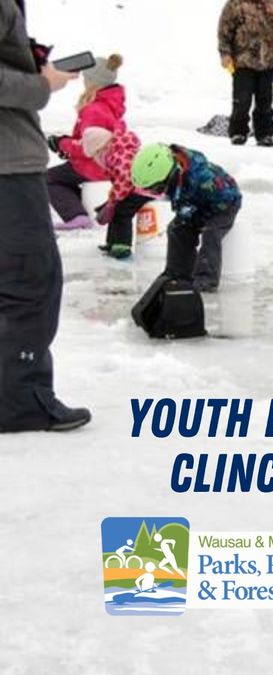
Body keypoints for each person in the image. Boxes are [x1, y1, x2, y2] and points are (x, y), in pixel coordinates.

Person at [0, 0, 91, 433]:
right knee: (31, 282)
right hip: (6, 164)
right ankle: (19, 404)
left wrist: (24, 56)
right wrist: (41, 84)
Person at [130, 143, 242, 292]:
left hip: (224, 206)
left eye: (156, 188)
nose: (156, 193)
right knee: (176, 229)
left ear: (168, 176)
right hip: (198, 203)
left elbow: (187, 204)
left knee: (211, 233)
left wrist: (188, 217)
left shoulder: (197, 178)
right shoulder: (178, 175)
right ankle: (176, 273)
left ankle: (206, 279)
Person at [45, 54, 126, 231]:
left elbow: (87, 147)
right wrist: (68, 144)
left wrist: (61, 143)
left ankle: (76, 216)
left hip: (94, 166)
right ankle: (85, 208)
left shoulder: (94, 109)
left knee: (48, 178)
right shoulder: (112, 103)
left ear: (92, 81)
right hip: (109, 164)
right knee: (65, 173)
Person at [218, 0, 273, 147]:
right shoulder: (235, 5)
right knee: (242, 100)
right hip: (243, 61)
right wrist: (225, 53)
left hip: (268, 63)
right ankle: (238, 132)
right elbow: (224, 31)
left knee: (265, 101)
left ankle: (264, 134)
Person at [81, 127, 154, 260]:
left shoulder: (120, 154)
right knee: (115, 208)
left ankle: (122, 246)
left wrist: (114, 198)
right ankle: (112, 242)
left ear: (101, 148)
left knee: (122, 211)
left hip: (145, 189)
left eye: (96, 156)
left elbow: (126, 179)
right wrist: (113, 200)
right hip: (133, 188)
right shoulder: (117, 151)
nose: (97, 160)